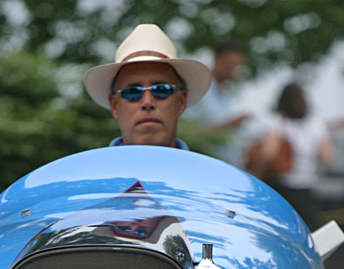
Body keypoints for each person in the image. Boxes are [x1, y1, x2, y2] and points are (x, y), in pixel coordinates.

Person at [84, 24, 212, 149]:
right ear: (114, 105)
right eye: (132, 92)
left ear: (182, 101)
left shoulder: (212, 171)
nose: (147, 102)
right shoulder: (89, 170)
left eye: (161, 90)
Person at [254, 81, 333, 227]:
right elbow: (326, 157)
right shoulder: (317, 124)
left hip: (282, 186)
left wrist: (256, 174)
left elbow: (268, 154)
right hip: (307, 186)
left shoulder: (278, 122)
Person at [186, 40, 250, 164]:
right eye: (230, 64)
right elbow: (190, 134)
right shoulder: (198, 91)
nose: (234, 70)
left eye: (237, 66)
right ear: (216, 59)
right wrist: (230, 124)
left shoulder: (226, 94)